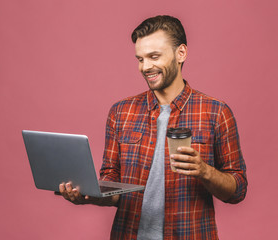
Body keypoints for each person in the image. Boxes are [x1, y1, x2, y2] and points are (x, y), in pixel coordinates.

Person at [58, 15, 247, 240]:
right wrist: (87, 195)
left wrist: (205, 171)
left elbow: (238, 189)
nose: (145, 67)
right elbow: (114, 187)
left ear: (181, 54)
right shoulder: (121, 112)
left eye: (154, 56)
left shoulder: (216, 112)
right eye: (140, 59)